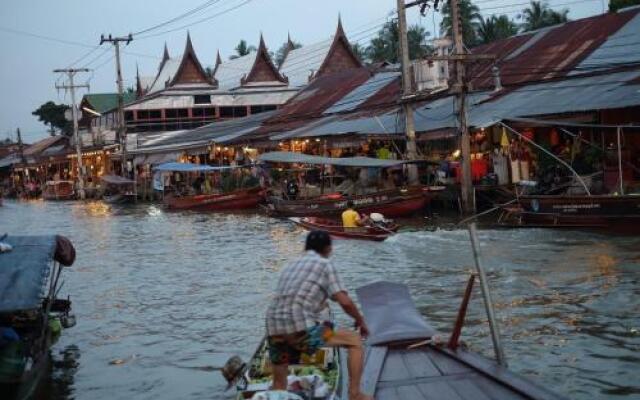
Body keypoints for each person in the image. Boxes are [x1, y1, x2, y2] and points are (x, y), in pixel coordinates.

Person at [265, 231, 372, 400]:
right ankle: (355, 394)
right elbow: (345, 302)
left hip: (274, 328)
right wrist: (361, 321)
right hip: (302, 330)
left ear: (305, 247)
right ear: (328, 249)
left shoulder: (291, 265)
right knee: (354, 340)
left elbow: (298, 296)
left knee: (279, 384)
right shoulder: (324, 264)